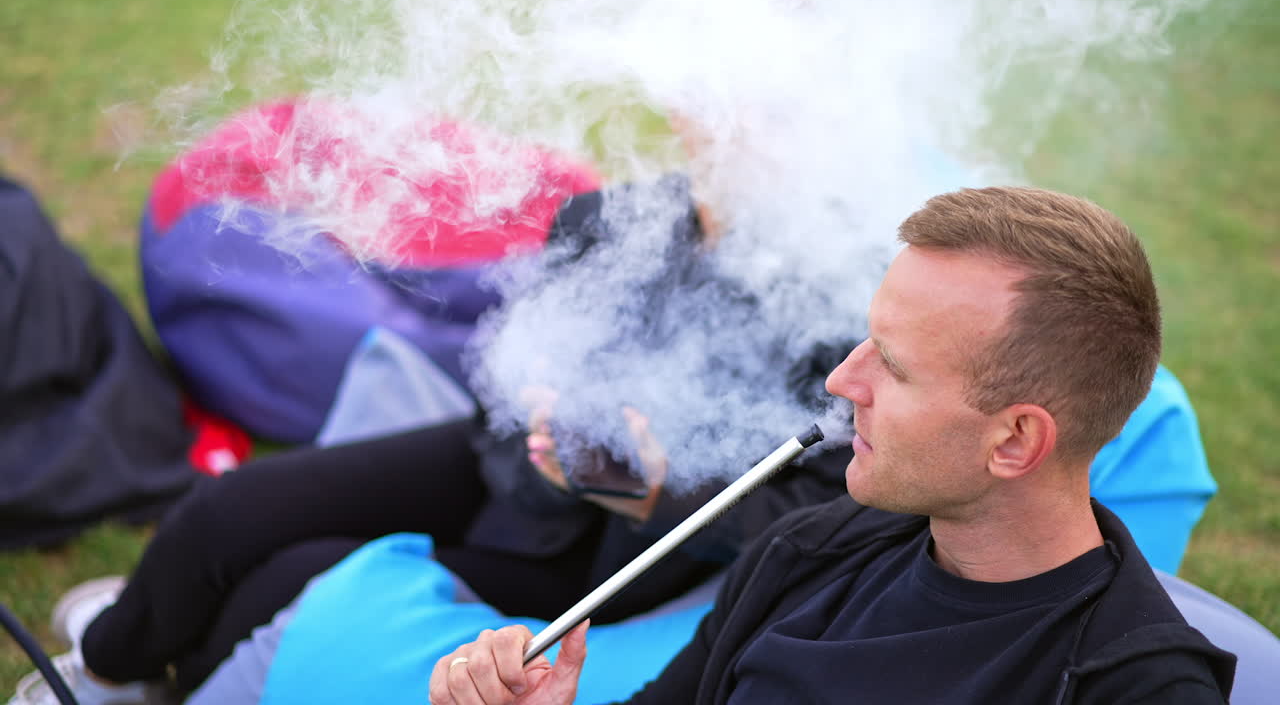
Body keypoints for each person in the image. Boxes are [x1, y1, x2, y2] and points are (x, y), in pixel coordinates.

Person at [6, 174, 855, 705]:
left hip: (616, 549)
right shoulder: (647, 215)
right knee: (228, 511)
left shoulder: (849, 313)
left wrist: (656, 489)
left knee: (291, 583)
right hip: (506, 463)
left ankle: (176, 671)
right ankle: (110, 673)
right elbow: (530, 330)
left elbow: (812, 514)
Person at [427, 186, 1238, 705]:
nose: (843, 382)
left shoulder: (1125, 686)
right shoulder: (810, 551)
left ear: (1016, 439)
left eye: (893, 365)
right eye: (864, 341)